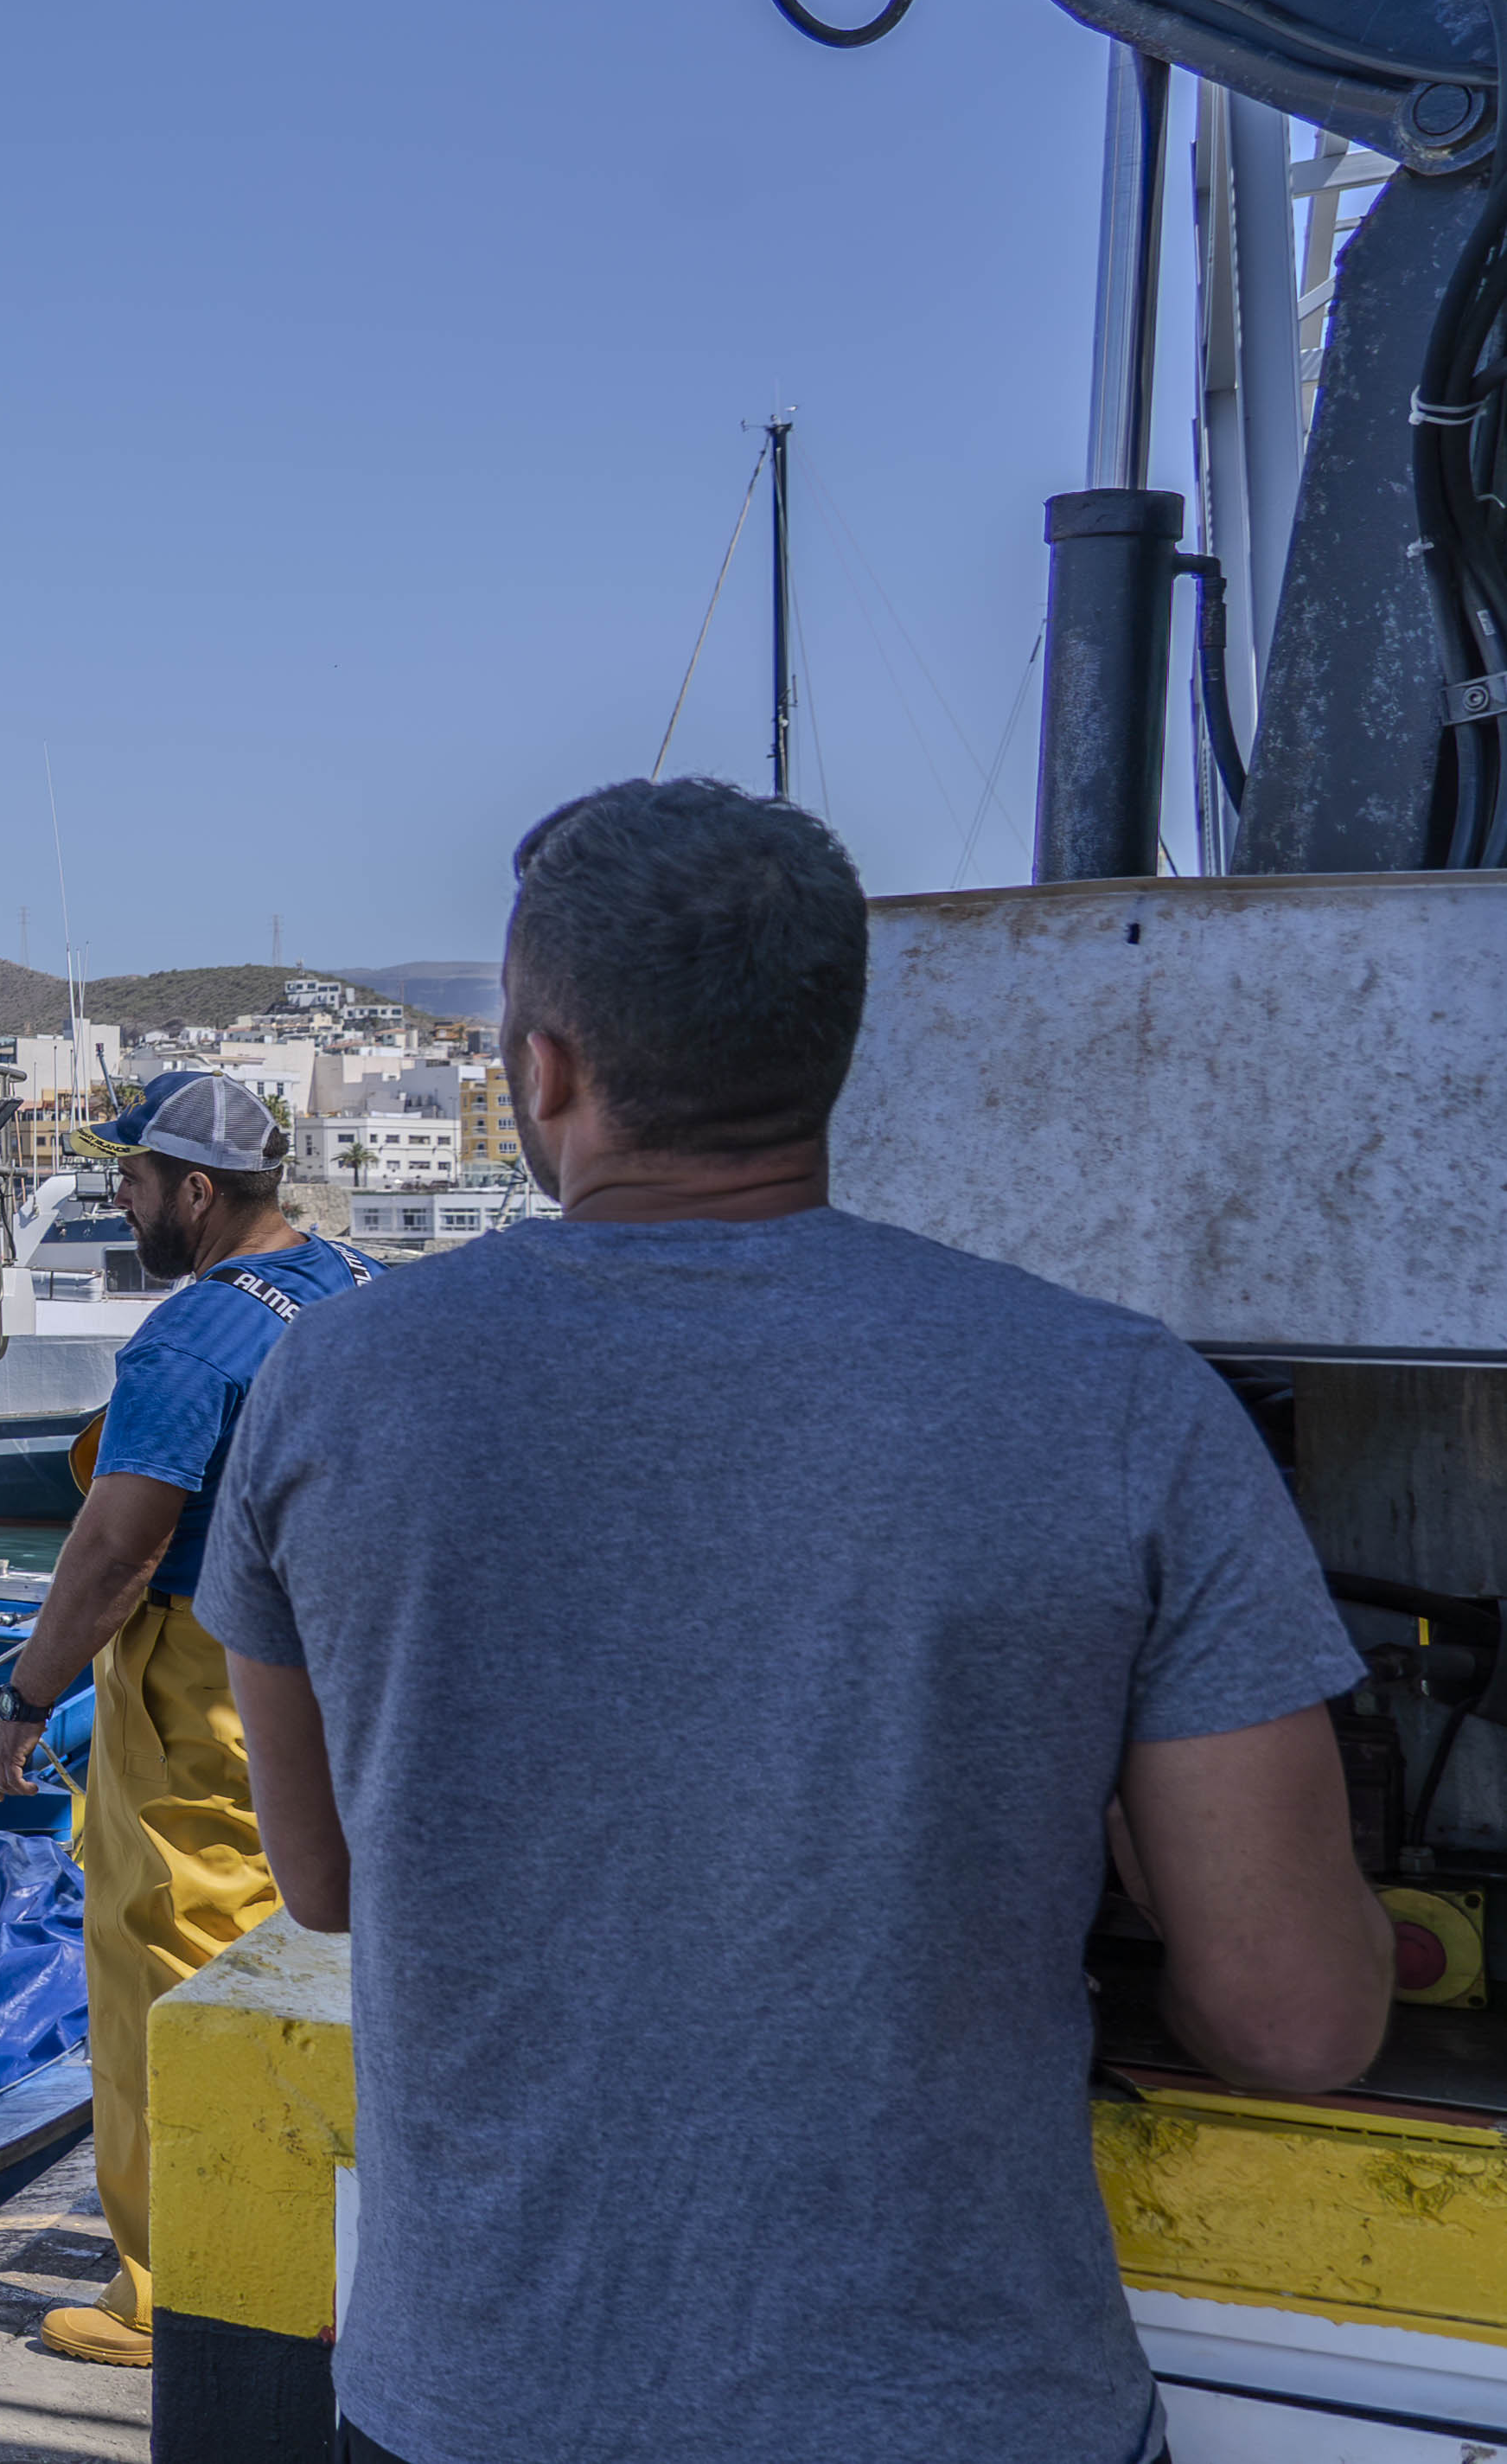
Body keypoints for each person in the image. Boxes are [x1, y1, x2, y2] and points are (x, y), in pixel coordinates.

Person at [203, 778, 1389, 2464]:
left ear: (543, 1067)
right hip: (969, 2416)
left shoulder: (326, 1385)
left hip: (474, 2407)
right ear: (828, 1056)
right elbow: (1295, 2017)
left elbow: (317, 1877)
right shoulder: (1127, 1403)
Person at [0, 1067, 380, 2372]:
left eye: (133, 1179)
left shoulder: (192, 1338)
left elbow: (114, 1549)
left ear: (197, 1191)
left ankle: (175, 2285)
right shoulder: (346, 1285)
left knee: (170, 1961)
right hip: (336, 1664)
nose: (121, 1199)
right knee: (293, 1952)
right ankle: (317, 2241)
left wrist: (24, 1699)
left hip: (204, 1676)